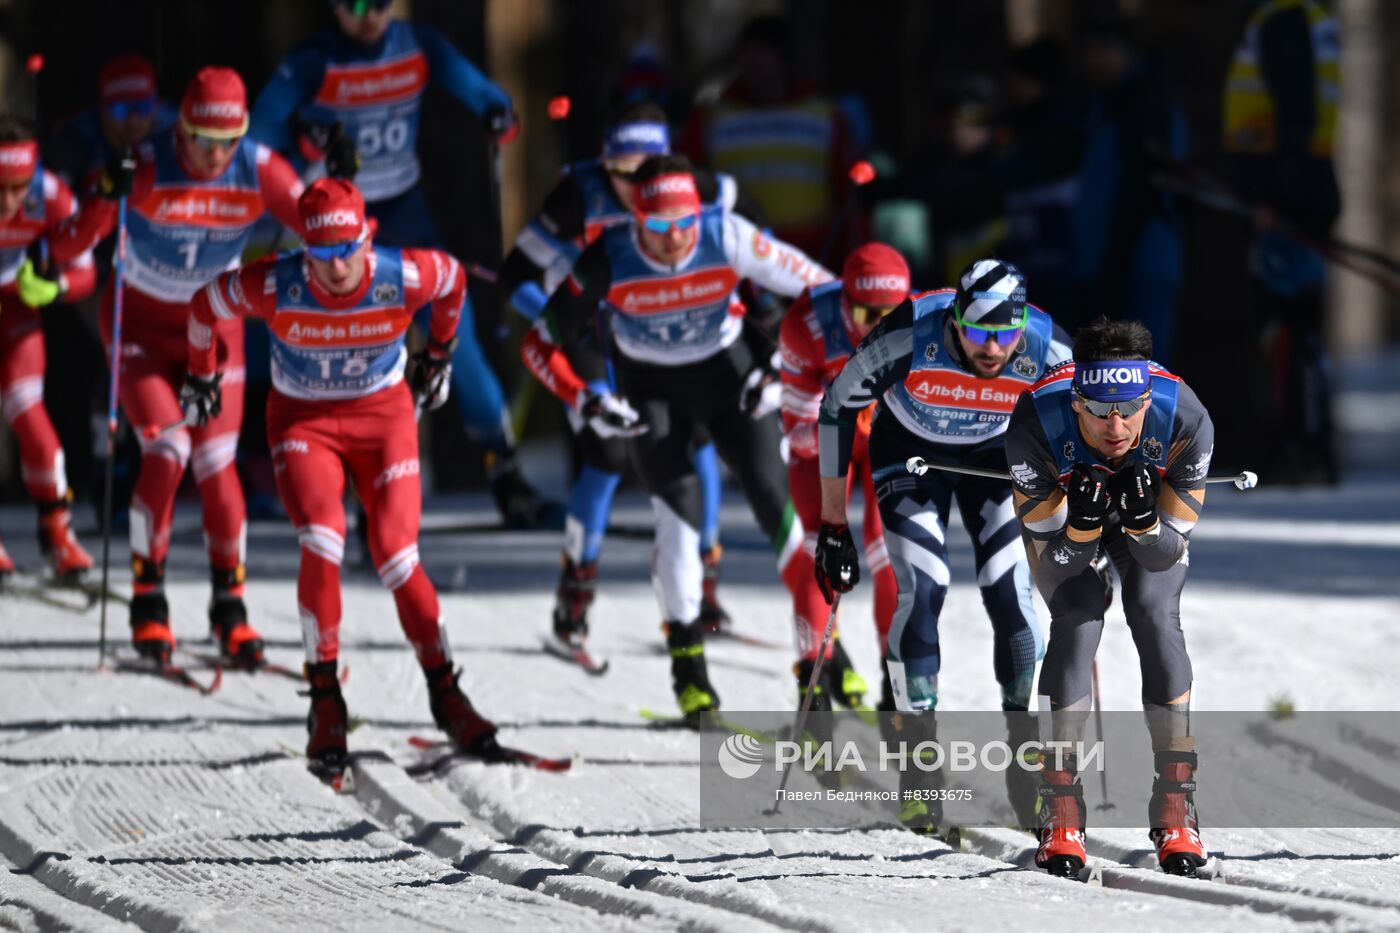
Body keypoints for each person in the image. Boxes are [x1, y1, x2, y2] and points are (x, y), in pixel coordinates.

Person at [183, 177, 503, 777]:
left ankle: (445, 693)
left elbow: (454, 281)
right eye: (322, 254)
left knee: (396, 555)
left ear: (367, 236)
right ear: (304, 249)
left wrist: (439, 351)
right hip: (304, 420)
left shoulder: (400, 275)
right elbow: (204, 307)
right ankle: (325, 698)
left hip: (382, 419)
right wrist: (202, 375)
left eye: (348, 249)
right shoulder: (277, 282)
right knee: (323, 537)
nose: (337, 266)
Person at [523, 155, 833, 720]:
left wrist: (786, 368)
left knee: (774, 499)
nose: (675, 239)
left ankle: (819, 669)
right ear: (634, 221)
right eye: (658, 227)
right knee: (678, 514)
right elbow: (538, 343)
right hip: (653, 389)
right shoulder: (611, 254)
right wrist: (584, 396)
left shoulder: (726, 235)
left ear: (701, 213)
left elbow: (826, 295)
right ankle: (689, 670)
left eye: (685, 222)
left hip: (731, 375)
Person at [250, 0, 547, 525]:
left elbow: (478, 88)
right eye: (355, 5)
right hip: (338, 224)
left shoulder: (416, 45)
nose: (369, 15)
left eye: (380, 3)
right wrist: (303, 132)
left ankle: (503, 465)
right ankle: (353, 488)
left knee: (458, 335)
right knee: (348, 343)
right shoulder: (315, 60)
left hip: (406, 211)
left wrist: (497, 110)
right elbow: (255, 135)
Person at [56, 66, 305, 668]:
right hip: (139, 331)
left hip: (214, 335)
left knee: (219, 468)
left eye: (229, 141)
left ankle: (230, 610)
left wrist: (342, 189)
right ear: (180, 131)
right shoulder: (142, 168)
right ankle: (149, 602)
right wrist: (103, 199)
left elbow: (330, 230)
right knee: (167, 454)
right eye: (202, 140)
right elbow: (67, 247)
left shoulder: (262, 169)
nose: (216, 155)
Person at [815, 259, 1068, 830]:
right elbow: (836, 409)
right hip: (911, 456)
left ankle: (1027, 758)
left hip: (996, 459)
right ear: (954, 320)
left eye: (1005, 336)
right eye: (978, 333)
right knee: (924, 588)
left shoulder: (1048, 346)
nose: (992, 350)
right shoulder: (909, 332)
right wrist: (833, 525)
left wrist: (1086, 522)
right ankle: (918, 767)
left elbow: (1085, 425)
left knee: (1010, 594)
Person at [498, 101, 745, 658]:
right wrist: (558, 317)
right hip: (594, 336)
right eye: (623, 173)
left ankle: (703, 585)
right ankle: (576, 593)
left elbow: (749, 230)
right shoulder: (578, 196)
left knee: (697, 439)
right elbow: (516, 273)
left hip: (664, 328)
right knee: (607, 457)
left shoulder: (694, 185)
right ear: (602, 164)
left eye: (648, 169)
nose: (637, 186)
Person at [1004, 317, 1214, 877]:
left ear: (1150, 396)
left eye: (1130, 407)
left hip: (1149, 531)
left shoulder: (1187, 419)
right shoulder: (1034, 426)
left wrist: (1144, 523)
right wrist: (1081, 529)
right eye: (1098, 410)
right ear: (1076, 403)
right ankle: (1061, 808)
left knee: (1153, 613)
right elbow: (1056, 563)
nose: (1115, 425)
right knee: (1076, 618)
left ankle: (1176, 804)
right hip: (1070, 526)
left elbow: (1164, 555)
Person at [778, 242, 910, 710]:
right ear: (842, 303)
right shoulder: (807, 323)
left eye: (890, 313)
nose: (877, 326)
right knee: (821, 549)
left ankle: (897, 681)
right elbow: (799, 433)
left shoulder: (923, 323)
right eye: (864, 311)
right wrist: (849, 416)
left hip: (884, 441)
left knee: (891, 549)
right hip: (821, 442)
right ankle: (812, 690)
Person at [1224, 0, 1340, 484]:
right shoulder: (1304, 15)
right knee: (1297, 329)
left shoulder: (1284, 17)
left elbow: (1297, 112)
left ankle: (1300, 447)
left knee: (1288, 330)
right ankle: (1305, 444)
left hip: (1290, 200)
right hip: (1302, 191)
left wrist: (1277, 198)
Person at [0, 116, 98, 582]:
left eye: (18, 187)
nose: (7, 201)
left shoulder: (54, 195)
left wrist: (54, 287)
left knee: (33, 421)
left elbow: (87, 273)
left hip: (17, 313)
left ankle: (57, 535)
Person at [677, 15, 861, 260]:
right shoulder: (710, 118)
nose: (753, 69)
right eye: (747, 60)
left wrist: (849, 253)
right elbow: (684, 181)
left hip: (813, 253)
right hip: (737, 252)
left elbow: (847, 194)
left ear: (783, 59)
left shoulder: (825, 115)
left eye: (762, 58)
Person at [1071, 16, 1188, 362]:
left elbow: (1143, 190)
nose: (1095, 59)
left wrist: (1115, 260)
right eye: (1089, 51)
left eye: (1105, 50)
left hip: (1140, 261)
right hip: (1111, 259)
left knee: (1142, 373)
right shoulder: (1106, 102)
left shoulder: (1144, 103)